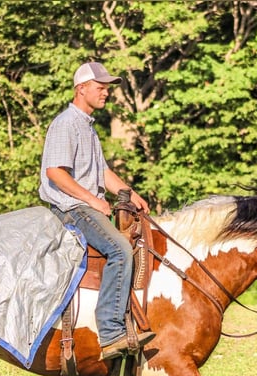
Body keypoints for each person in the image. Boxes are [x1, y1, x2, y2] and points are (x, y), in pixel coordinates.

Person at [39, 61, 155, 360]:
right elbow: (55, 172)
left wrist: (131, 194)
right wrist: (93, 201)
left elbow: (101, 172)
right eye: (100, 88)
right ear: (81, 89)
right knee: (119, 248)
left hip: (85, 205)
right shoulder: (66, 123)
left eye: (107, 88)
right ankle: (111, 333)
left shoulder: (87, 127)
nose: (106, 93)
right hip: (72, 208)